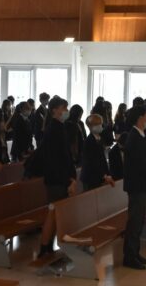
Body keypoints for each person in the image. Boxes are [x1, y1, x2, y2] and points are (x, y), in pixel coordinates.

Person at [38, 96, 77, 258]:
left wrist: (71, 177)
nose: (66, 111)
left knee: (56, 213)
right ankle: (44, 247)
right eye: (64, 108)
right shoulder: (54, 129)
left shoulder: (59, 127)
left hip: (59, 177)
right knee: (53, 212)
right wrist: (69, 180)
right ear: (55, 110)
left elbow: (66, 156)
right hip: (56, 179)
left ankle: (48, 246)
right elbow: (57, 159)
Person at [122, 106, 146, 270]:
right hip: (136, 185)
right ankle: (129, 256)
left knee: (139, 220)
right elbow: (140, 164)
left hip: (140, 184)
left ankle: (135, 252)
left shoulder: (140, 135)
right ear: (139, 118)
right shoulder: (134, 137)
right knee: (135, 221)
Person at [80, 113, 114, 191]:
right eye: (97, 124)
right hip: (90, 177)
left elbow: (102, 159)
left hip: (98, 176)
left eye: (100, 124)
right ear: (90, 126)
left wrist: (107, 174)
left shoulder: (99, 138)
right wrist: (104, 176)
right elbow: (92, 161)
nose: (100, 126)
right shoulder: (89, 141)